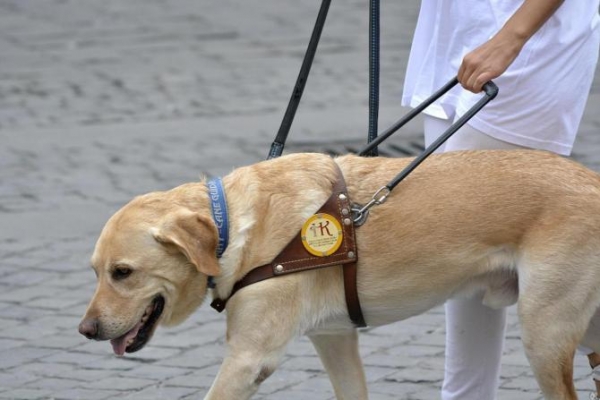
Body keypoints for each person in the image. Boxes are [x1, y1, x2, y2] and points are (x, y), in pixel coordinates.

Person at [401, 1, 600, 399]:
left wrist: (512, 37)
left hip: (523, 45)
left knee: (472, 249)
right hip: (453, 37)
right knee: (474, 256)